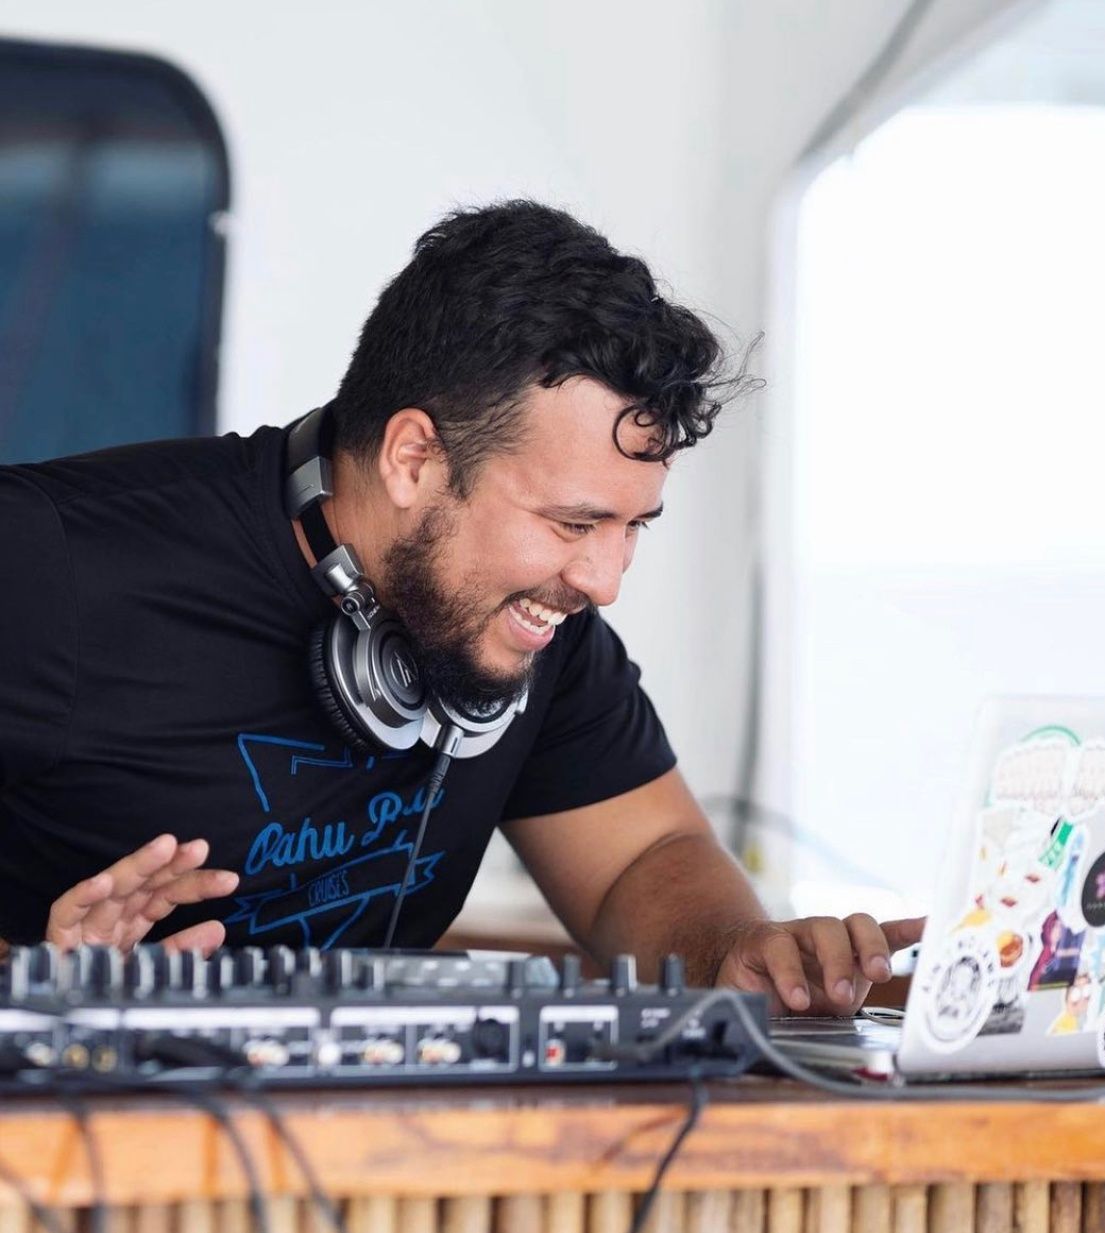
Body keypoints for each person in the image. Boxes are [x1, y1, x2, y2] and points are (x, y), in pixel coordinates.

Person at [0, 200, 921, 1012]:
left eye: (634, 527)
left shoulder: (531, 621)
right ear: (413, 459)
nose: (605, 581)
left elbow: (639, 860)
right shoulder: (46, 565)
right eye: (573, 521)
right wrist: (29, 984)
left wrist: (734, 952)